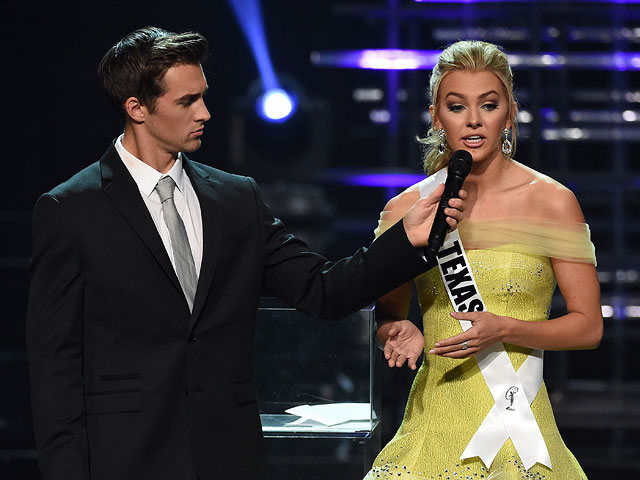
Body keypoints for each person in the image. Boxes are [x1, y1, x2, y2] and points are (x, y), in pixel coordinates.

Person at [25, 27, 466, 480]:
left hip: (228, 455)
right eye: (187, 102)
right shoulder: (70, 209)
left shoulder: (235, 200)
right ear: (136, 108)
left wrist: (406, 240)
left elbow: (324, 290)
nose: (206, 113)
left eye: (204, 96)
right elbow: (53, 368)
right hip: (125, 458)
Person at [364, 40, 602, 480]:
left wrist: (508, 328)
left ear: (509, 113)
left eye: (488, 105)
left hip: (525, 436)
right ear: (437, 116)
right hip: (432, 427)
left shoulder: (554, 202)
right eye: (457, 107)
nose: (473, 120)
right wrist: (397, 331)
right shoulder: (406, 209)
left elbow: (588, 326)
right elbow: (384, 316)